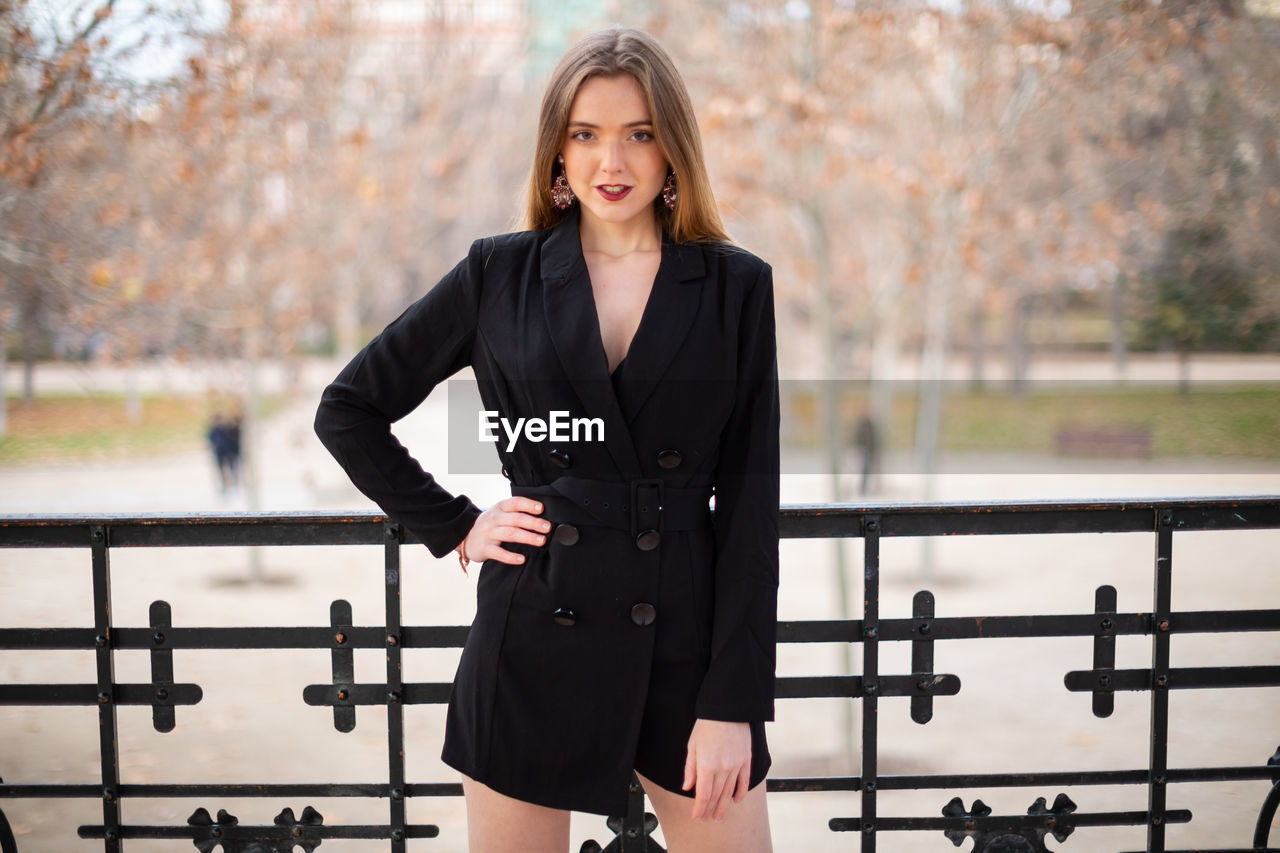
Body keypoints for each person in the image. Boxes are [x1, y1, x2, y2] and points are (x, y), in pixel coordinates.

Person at [314, 27, 778, 853]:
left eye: (639, 133)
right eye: (586, 134)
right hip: (531, 641)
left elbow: (750, 507)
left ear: (674, 148)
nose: (613, 160)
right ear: (556, 152)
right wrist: (456, 524)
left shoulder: (736, 286)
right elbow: (348, 407)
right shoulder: (498, 274)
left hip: (688, 649)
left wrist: (733, 703)